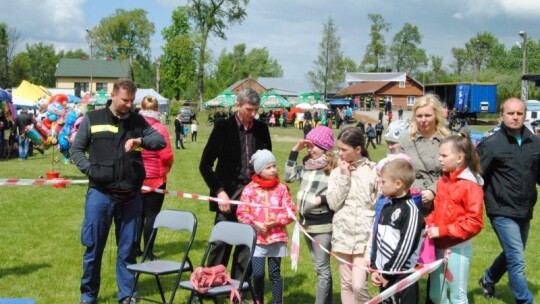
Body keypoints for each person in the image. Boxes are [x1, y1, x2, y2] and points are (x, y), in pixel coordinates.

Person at [71, 78, 166, 304]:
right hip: (100, 195)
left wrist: (140, 140)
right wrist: (91, 171)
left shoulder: (138, 120)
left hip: (130, 197)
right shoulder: (93, 118)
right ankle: (88, 295)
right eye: (125, 100)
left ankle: (127, 294)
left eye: (132, 101)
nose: (129, 104)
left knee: (128, 250)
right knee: (93, 249)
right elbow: (76, 150)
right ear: (113, 95)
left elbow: (160, 140)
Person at [199, 88, 272, 280]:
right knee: (222, 241)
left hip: (253, 195)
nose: (253, 114)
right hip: (228, 193)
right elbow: (205, 165)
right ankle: (211, 283)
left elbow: (267, 162)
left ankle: (239, 288)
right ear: (237, 106)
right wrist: (220, 191)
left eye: (256, 109)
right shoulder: (223, 127)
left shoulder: (262, 129)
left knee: (246, 244)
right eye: (249, 109)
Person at [477, 98, 540, 304]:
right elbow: (476, 176)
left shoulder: (535, 143)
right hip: (501, 209)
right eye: (511, 113)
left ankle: (488, 279)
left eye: (519, 113)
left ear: (524, 115)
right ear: (501, 116)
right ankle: (525, 300)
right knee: (517, 259)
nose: (515, 117)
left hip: (525, 209)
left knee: (513, 254)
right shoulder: (491, 144)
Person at [425, 131, 484, 303]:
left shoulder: (470, 185)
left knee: (457, 296)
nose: (439, 159)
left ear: (459, 157)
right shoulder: (442, 181)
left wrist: (442, 230)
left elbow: (474, 223)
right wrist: (427, 224)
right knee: (437, 295)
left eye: (444, 155)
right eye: (439, 155)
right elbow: (437, 211)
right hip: (437, 245)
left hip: (457, 248)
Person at [285, 126, 338, 304]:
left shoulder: (333, 168)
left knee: (322, 269)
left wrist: (321, 199)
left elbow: (339, 193)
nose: (309, 149)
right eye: (307, 146)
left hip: (323, 225)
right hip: (305, 224)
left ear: (324, 146)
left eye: (313, 146)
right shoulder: (308, 165)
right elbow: (289, 176)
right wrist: (294, 151)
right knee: (319, 268)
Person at [327, 127, 379, 304]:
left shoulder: (373, 171)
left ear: (358, 149)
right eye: (338, 149)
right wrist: (344, 177)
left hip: (364, 237)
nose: (339, 153)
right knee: (347, 284)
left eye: (343, 150)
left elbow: (378, 203)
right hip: (343, 235)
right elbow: (333, 203)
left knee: (358, 285)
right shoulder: (336, 173)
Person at [237, 149, 296, 304]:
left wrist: (275, 222)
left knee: (275, 274)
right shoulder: (250, 189)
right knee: (257, 273)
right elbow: (241, 212)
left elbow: (291, 212)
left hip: (276, 239)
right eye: (268, 167)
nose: (273, 170)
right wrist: (254, 224)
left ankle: (277, 302)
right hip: (257, 240)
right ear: (259, 170)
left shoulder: (282, 189)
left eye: (274, 166)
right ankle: (258, 300)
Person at [371, 158, 424, 304]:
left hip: (402, 277)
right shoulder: (387, 206)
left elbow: (405, 248)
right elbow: (377, 238)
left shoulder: (411, 212)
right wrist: (375, 267)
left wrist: (389, 273)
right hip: (385, 273)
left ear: (398, 183)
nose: (380, 185)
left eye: (383, 182)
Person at [399, 94, 451, 217]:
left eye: (428, 115)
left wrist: (433, 190)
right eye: (419, 116)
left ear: (436, 116)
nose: (423, 120)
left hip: (444, 203)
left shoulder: (449, 141)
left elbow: (456, 173)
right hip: (414, 203)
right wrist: (418, 192)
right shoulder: (405, 142)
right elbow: (399, 173)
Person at [137, 96, 174, 261]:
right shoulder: (160, 129)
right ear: (157, 110)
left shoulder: (134, 127)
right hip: (155, 178)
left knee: (138, 215)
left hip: (136, 177)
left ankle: (134, 248)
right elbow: (166, 155)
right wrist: (166, 168)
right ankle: (148, 251)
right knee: (152, 216)